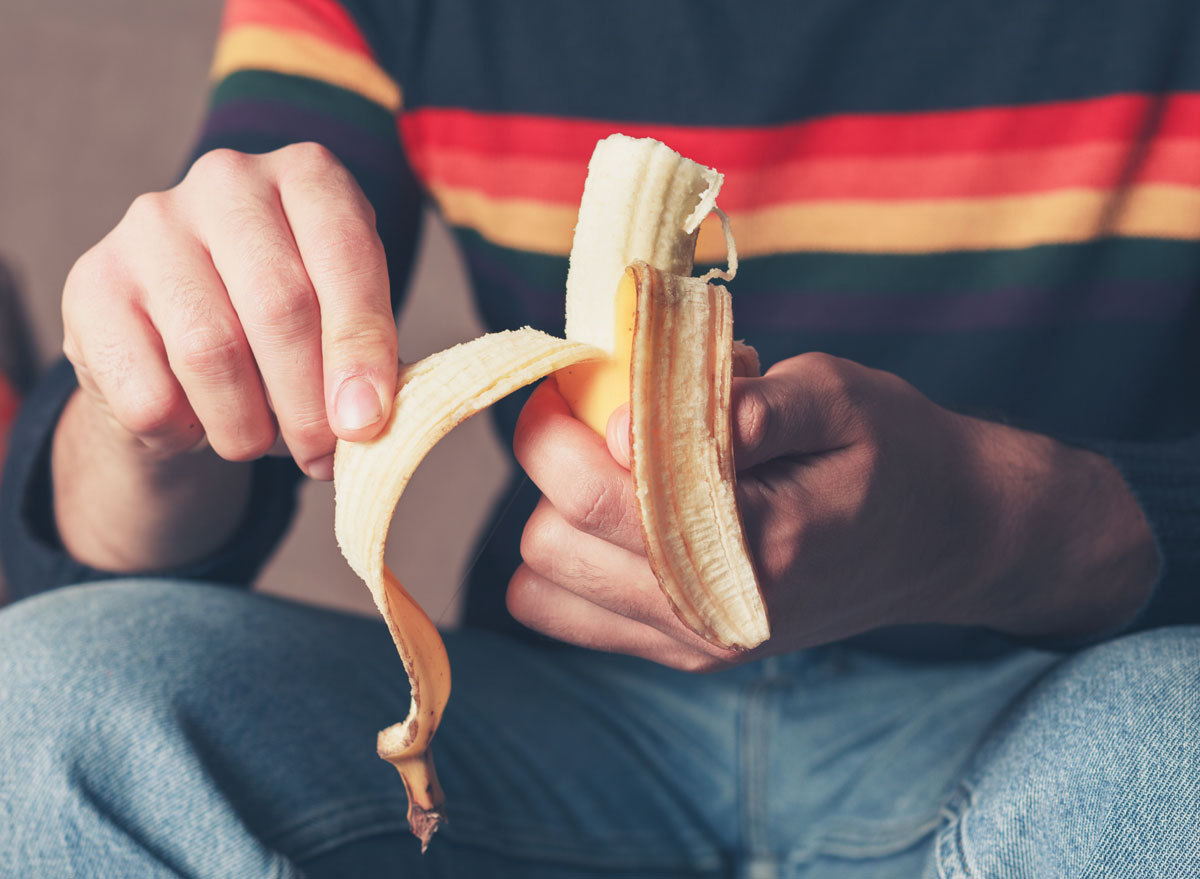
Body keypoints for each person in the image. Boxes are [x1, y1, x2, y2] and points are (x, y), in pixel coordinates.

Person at [1, 0, 1198, 875]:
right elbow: (110, 547)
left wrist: (1001, 521)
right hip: (555, 729)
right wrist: (151, 390)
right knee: (44, 698)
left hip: (1046, 701)